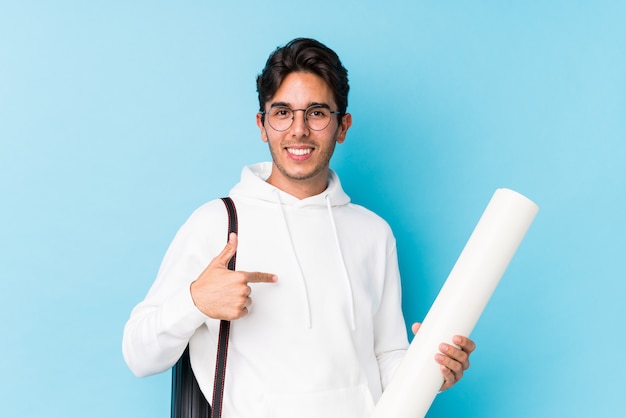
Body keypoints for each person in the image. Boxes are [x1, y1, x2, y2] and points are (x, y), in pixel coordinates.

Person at [122, 37, 475, 417]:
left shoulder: (373, 233)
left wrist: (430, 371)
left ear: (342, 126)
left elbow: (385, 357)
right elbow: (139, 356)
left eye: (317, 113)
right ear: (262, 124)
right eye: (282, 112)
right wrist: (194, 302)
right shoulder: (218, 224)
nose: (299, 130)